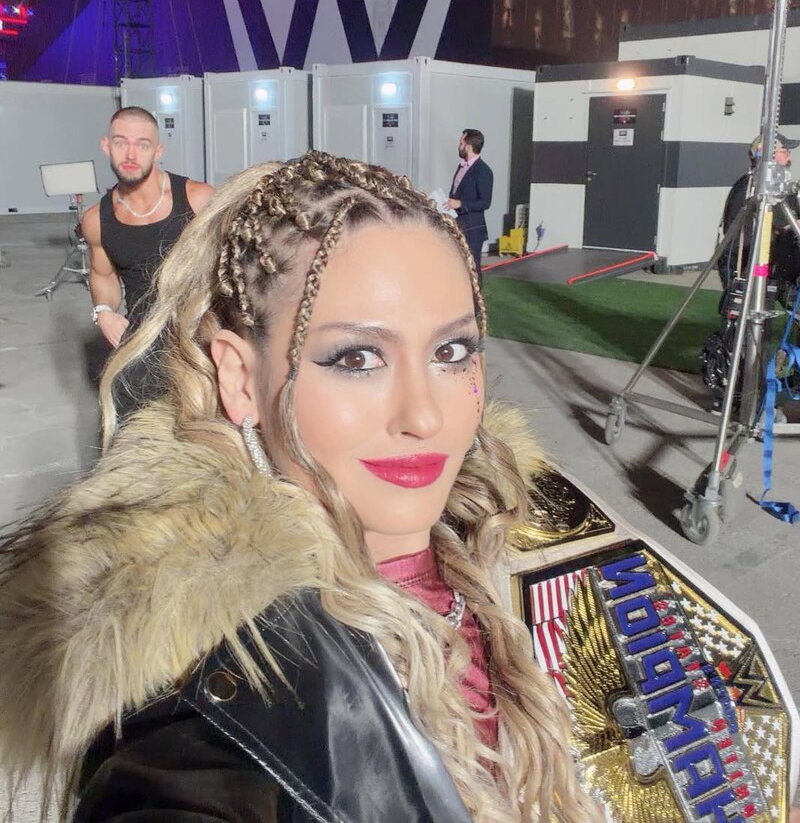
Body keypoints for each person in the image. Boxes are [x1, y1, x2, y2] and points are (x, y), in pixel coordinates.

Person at [0, 152, 600, 823]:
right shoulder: (205, 704)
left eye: (451, 352)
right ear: (238, 378)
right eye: (357, 358)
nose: (425, 417)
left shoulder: (530, 527)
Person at [82, 106, 214, 348]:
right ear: (106, 146)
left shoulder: (199, 199)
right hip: (143, 340)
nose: (131, 155)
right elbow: (103, 275)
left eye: (142, 145)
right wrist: (103, 311)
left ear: (157, 151)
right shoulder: (96, 220)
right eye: (120, 143)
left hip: (201, 337)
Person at [719, 133, 800, 293]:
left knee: (761, 299)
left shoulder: (754, 182)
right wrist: (797, 224)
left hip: (752, 256)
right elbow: (787, 223)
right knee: (745, 302)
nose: (789, 156)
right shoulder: (758, 188)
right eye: (785, 151)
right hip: (744, 259)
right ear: (770, 156)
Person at [446, 129, 494, 278]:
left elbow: (485, 203)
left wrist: (460, 204)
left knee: (472, 269)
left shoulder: (483, 171)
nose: (459, 146)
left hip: (472, 228)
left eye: (461, 143)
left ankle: (477, 294)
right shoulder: (461, 167)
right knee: (457, 267)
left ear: (468, 146)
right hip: (457, 224)